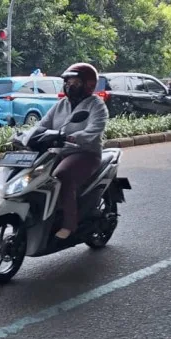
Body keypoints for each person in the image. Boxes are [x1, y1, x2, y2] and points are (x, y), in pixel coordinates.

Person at [15, 63, 108, 240]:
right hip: (59, 152)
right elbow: (42, 125)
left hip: (85, 153)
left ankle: (69, 224)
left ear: (88, 84)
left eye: (75, 82)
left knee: (63, 174)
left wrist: (72, 137)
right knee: (37, 176)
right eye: (67, 82)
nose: (69, 86)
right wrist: (26, 136)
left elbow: (94, 130)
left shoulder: (96, 105)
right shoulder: (61, 104)